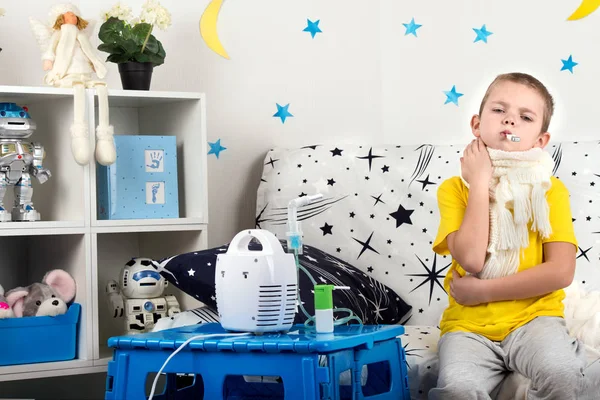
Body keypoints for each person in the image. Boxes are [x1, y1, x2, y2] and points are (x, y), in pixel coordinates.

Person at [429, 72, 589, 399]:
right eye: (499, 111)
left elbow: (560, 272)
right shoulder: (454, 190)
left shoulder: (549, 191)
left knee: (563, 373)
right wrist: (480, 181)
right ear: (477, 124)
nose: (510, 122)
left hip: (535, 320)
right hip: (468, 329)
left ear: (540, 141)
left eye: (525, 117)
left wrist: (482, 292)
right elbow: (472, 259)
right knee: (458, 389)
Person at [30, 3, 116, 166]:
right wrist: (48, 60)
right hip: (69, 75)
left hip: (84, 74)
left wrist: (93, 63)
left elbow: (88, 51)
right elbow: (51, 48)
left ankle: (105, 138)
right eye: (68, 15)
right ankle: (79, 136)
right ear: (60, 19)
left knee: (101, 90)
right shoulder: (58, 34)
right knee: (78, 92)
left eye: (74, 15)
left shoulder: (82, 36)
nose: (72, 17)